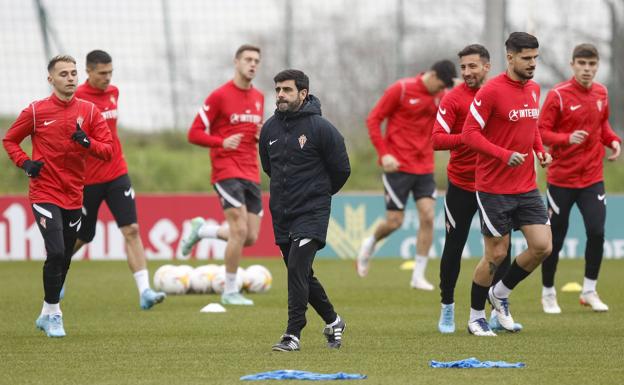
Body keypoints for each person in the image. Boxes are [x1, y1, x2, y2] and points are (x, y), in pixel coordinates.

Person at [2, 55, 113, 337]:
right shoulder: (37, 112)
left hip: (74, 193)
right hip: (44, 191)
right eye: (63, 74)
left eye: (74, 73)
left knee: (63, 257)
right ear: (51, 79)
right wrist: (25, 163)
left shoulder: (89, 112)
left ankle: (45, 312)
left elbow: (107, 149)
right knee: (57, 251)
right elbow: (10, 139)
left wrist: (87, 142)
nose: (71, 78)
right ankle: (55, 314)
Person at [461, 32, 553, 336]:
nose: (532, 64)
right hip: (493, 187)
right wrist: (503, 155)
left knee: (542, 246)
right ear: (510, 57)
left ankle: (499, 294)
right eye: (526, 58)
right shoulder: (490, 92)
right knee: (496, 254)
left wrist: (539, 150)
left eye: (535, 58)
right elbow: (470, 134)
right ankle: (476, 316)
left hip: (526, 185)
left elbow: (532, 125)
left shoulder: (535, 89)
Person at [259, 69, 350, 352]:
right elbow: (268, 167)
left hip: (312, 211)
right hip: (282, 212)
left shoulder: (321, 128)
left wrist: (319, 195)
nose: (280, 95)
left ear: (303, 93)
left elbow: (342, 170)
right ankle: (334, 321)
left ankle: (292, 334)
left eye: (286, 90)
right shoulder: (269, 129)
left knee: (297, 267)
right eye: (277, 90)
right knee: (302, 274)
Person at [432, 44, 521, 334]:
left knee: (502, 250)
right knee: (454, 246)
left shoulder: (502, 91)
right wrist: (468, 139)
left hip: (496, 185)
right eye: (464, 68)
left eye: (473, 66)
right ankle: (447, 308)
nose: (467, 72)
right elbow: (437, 139)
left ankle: (497, 306)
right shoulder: (453, 98)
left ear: (487, 66)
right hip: (462, 185)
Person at [71, 50, 166, 310]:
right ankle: (58, 269)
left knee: (132, 230)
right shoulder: (76, 98)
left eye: (110, 72)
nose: (107, 77)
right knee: (85, 234)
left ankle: (145, 291)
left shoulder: (114, 92)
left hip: (116, 173)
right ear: (88, 71)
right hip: (87, 179)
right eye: (102, 73)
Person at [357, 60, 457, 290]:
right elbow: (373, 120)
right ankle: (370, 243)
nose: (441, 90)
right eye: (440, 85)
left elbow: (461, 90)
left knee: (428, 216)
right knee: (395, 222)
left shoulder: (441, 95)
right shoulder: (400, 89)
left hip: (424, 167)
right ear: (431, 75)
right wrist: (384, 154)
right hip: (397, 167)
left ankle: (418, 276)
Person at [538, 43, 621, 314]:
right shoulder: (558, 95)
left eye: (592, 64)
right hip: (561, 178)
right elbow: (541, 132)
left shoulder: (601, 92)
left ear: (597, 66)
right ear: (572, 64)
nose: (587, 69)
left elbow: (603, 125)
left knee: (596, 232)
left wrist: (613, 141)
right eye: (582, 64)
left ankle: (589, 290)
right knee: (556, 239)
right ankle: (548, 292)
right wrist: (565, 139)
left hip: (592, 177)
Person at [181, 44, 264, 306]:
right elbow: (193, 133)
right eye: (248, 59)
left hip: (251, 170)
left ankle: (202, 230)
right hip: (226, 169)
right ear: (236, 62)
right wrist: (221, 142)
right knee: (238, 230)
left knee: (250, 237)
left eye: (256, 61)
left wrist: (262, 135)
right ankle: (229, 291)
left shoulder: (260, 97)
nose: (253, 64)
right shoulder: (219, 96)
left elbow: (254, 133)